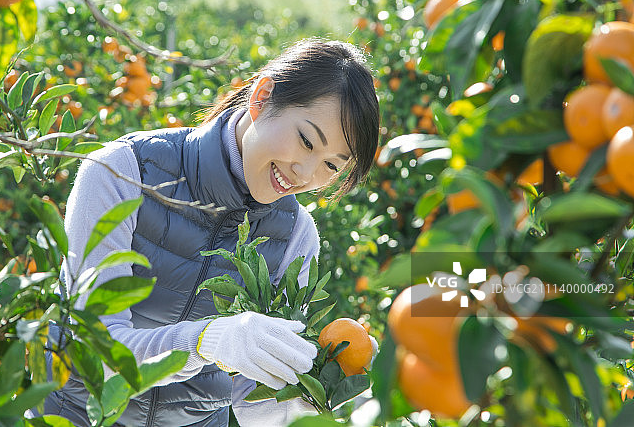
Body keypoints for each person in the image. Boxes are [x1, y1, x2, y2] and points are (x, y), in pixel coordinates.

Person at [31, 38, 380, 426]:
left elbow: (252, 404)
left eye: (331, 166)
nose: (304, 173)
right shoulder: (122, 172)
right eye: (306, 140)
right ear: (262, 97)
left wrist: (314, 393)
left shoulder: (296, 235)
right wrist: (204, 342)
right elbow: (94, 351)